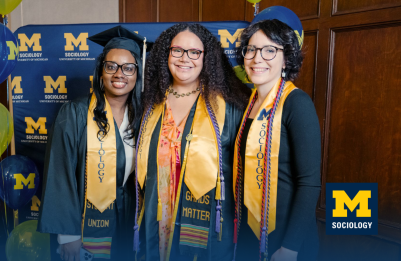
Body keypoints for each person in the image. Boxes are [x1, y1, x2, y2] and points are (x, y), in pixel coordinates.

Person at [134, 23, 251, 261]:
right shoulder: (150, 104)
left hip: (207, 224)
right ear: (166, 54)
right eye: (177, 50)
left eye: (194, 52)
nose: (184, 58)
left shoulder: (229, 108)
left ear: (206, 58)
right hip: (157, 220)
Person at [37, 26, 152, 261]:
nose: (120, 74)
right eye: (111, 66)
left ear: (137, 74)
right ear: (101, 72)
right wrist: (67, 236)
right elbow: (60, 173)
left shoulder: (144, 119)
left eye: (129, 68)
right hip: (83, 224)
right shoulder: (75, 114)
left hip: (129, 222)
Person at [233, 6, 321, 261]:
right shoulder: (249, 103)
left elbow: (309, 183)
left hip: (287, 241)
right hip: (251, 233)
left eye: (270, 50)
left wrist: (290, 248)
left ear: (287, 58)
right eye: (251, 49)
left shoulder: (297, 103)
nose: (257, 58)